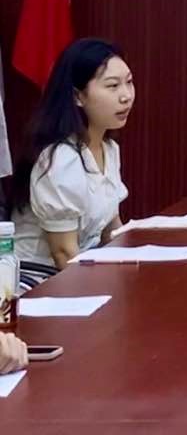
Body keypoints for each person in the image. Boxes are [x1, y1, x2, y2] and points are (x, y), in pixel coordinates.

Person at [9, 39, 133, 291]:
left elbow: (111, 231)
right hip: (39, 284)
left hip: (82, 275)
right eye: (112, 86)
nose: (126, 96)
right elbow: (64, 254)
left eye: (129, 82)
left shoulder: (109, 149)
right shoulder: (60, 159)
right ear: (77, 96)